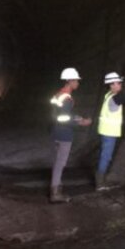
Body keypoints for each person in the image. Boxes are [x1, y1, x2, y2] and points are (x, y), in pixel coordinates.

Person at [48, 67, 92, 203]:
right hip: (64, 135)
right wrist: (81, 122)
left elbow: (60, 115)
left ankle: (57, 187)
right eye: (77, 80)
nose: (78, 83)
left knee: (57, 161)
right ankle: (55, 193)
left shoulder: (59, 94)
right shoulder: (67, 98)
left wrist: (77, 117)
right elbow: (64, 118)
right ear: (70, 81)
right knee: (60, 163)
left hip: (55, 132)